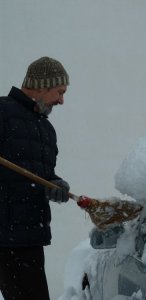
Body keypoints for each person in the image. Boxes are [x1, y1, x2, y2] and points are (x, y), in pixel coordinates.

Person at [0, 57, 71, 300]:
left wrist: (55, 185)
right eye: (59, 92)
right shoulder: (2, 112)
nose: (62, 100)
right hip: (7, 236)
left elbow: (42, 175)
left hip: (28, 235)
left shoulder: (45, 129)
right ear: (42, 86)